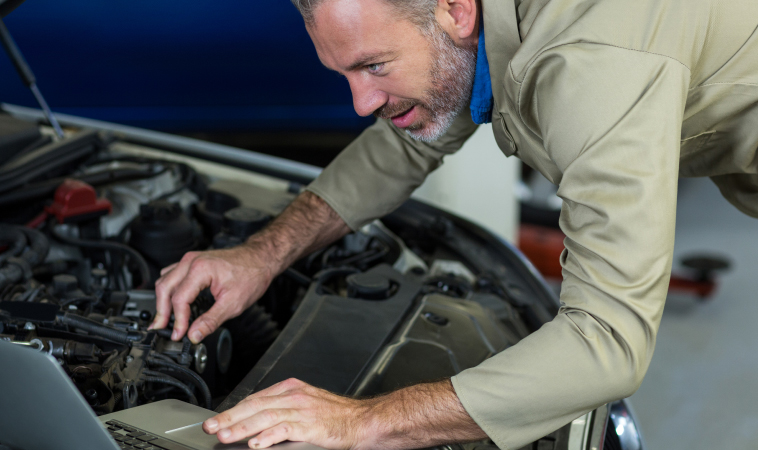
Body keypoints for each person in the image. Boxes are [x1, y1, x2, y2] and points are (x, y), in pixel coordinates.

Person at [150, 0, 758, 448]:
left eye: (375, 66)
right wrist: (263, 252)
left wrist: (364, 421)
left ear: (455, 10)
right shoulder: (470, 27)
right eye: (345, 75)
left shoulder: (591, 62)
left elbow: (607, 343)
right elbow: (405, 145)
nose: (360, 103)